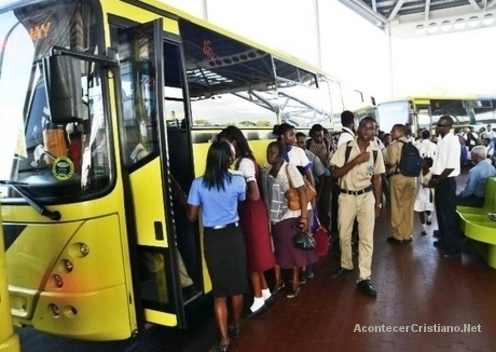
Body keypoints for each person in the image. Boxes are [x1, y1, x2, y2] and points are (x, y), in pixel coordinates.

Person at [185, 140, 248, 352]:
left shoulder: (198, 184)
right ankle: (236, 325)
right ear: (227, 158)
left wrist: (189, 202)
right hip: (233, 234)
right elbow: (240, 201)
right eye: (231, 154)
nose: (233, 157)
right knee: (237, 286)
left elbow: (192, 217)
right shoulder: (238, 181)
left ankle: (224, 340)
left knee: (219, 292)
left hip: (212, 239)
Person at [218, 126, 275, 318]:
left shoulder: (243, 164)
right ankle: (265, 292)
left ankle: (257, 299)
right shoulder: (247, 160)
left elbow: (254, 193)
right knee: (255, 254)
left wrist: (237, 196)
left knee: (251, 257)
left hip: (250, 213)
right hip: (254, 212)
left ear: (233, 142)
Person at [329, 116, 385, 297]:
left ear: (374, 131)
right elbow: (335, 174)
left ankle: (364, 277)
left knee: (366, 238)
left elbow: (377, 178)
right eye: (365, 127)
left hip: (366, 197)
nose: (367, 131)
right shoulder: (345, 148)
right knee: (344, 235)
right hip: (347, 197)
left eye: (371, 128)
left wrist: (378, 204)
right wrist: (356, 161)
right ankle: (346, 265)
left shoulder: (376, 151)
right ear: (358, 128)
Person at [261, 141, 318, 299]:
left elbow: (302, 192)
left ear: (280, 154)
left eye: (273, 152)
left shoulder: (289, 168)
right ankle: (279, 281)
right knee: (278, 250)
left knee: (293, 251)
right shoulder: (266, 172)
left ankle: (295, 282)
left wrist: (305, 217)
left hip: (291, 215)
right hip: (274, 217)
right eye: (268, 152)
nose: (269, 155)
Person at [427, 116, 462, 258]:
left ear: (449, 126)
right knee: (440, 213)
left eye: (441, 125)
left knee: (448, 214)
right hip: (439, 179)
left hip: (446, 181)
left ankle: (454, 249)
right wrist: (433, 178)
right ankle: (444, 240)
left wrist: (437, 181)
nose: (438, 127)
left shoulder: (453, 141)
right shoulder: (441, 141)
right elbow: (438, 164)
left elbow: (450, 166)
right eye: (437, 124)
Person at [385, 124, 417, 244]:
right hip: (411, 179)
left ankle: (398, 235)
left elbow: (392, 162)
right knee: (408, 207)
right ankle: (407, 235)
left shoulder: (393, 146)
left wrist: (387, 164)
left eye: (393, 131)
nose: (391, 133)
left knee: (397, 206)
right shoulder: (412, 145)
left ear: (400, 133)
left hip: (398, 178)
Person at [415, 158, 434, 235]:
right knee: (420, 210)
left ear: (429, 165)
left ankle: (429, 216)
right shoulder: (420, 172)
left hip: (428, 194)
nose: (422, 163)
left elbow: (433, 184)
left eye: (424, 163)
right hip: (420, 193)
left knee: (427, 209)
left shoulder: (431, 174)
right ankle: (424, 227)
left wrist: (427, 185)